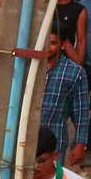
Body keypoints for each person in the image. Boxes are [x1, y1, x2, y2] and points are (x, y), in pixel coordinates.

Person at [34, 27, 89, 166]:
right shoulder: (29, 66)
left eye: (52, 43)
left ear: (63, 44)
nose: (48, 47)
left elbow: (81, 113)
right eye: (45, 42)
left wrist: (80, 144)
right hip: (23, 139)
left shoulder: (75, 72)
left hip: (55, 144)